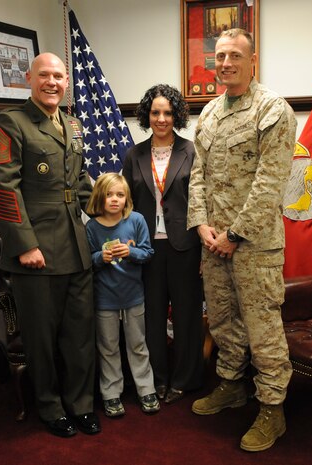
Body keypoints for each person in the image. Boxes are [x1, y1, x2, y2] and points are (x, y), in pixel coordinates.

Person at [187, 28, 296, 452]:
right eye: (220, 56)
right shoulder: (210, 113)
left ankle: (272, 409)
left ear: (253, 61)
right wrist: (201, 226)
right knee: (222, 320)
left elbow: (271, 183)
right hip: (212, 243)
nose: (226, 62)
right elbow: (198, 175)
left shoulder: (273, 110)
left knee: (263, 328)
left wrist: (234, 235)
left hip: (254, 246)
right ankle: (231, 385)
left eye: (235, 55)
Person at [0, 52, 100, 438]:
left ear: (67, 82)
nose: (52, 82)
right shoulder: (11, 123)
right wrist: (24, 245)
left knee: (80, 336)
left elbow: (80, 182)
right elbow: (2, 189)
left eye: (59, 77)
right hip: (37, 253)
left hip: (76, 246)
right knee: (42, 339)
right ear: (29, 78)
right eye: (44, 75)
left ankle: (81, 404)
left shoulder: (73, 124)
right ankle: (50, 408)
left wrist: (109, 217)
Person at [123, 84, 204, 405]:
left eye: (168, 113)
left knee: (186, 317)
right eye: (155, 112)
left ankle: (185, 379)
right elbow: (125, 203)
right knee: (151, 319)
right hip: (146, 250)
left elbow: (203, 201)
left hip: (185, 247)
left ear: (177, 115)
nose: (161, 118)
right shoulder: (134, 155)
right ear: (147, 115)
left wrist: (204, 249)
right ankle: (155, 380)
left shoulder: (192, 151)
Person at [85, 173, 160, 418]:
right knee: (108, 347)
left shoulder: (136, 220)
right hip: (105, 299)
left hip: (133, 296)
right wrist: (100, 258)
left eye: (119, 194)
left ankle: (145, 389)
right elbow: (88, 261)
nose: (114, 199)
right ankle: (111, 393)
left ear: (126, 197)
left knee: (137, 344)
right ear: (99, 197)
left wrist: (130, 251)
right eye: (108, 194)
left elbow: (148, 253)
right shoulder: (92, 227)